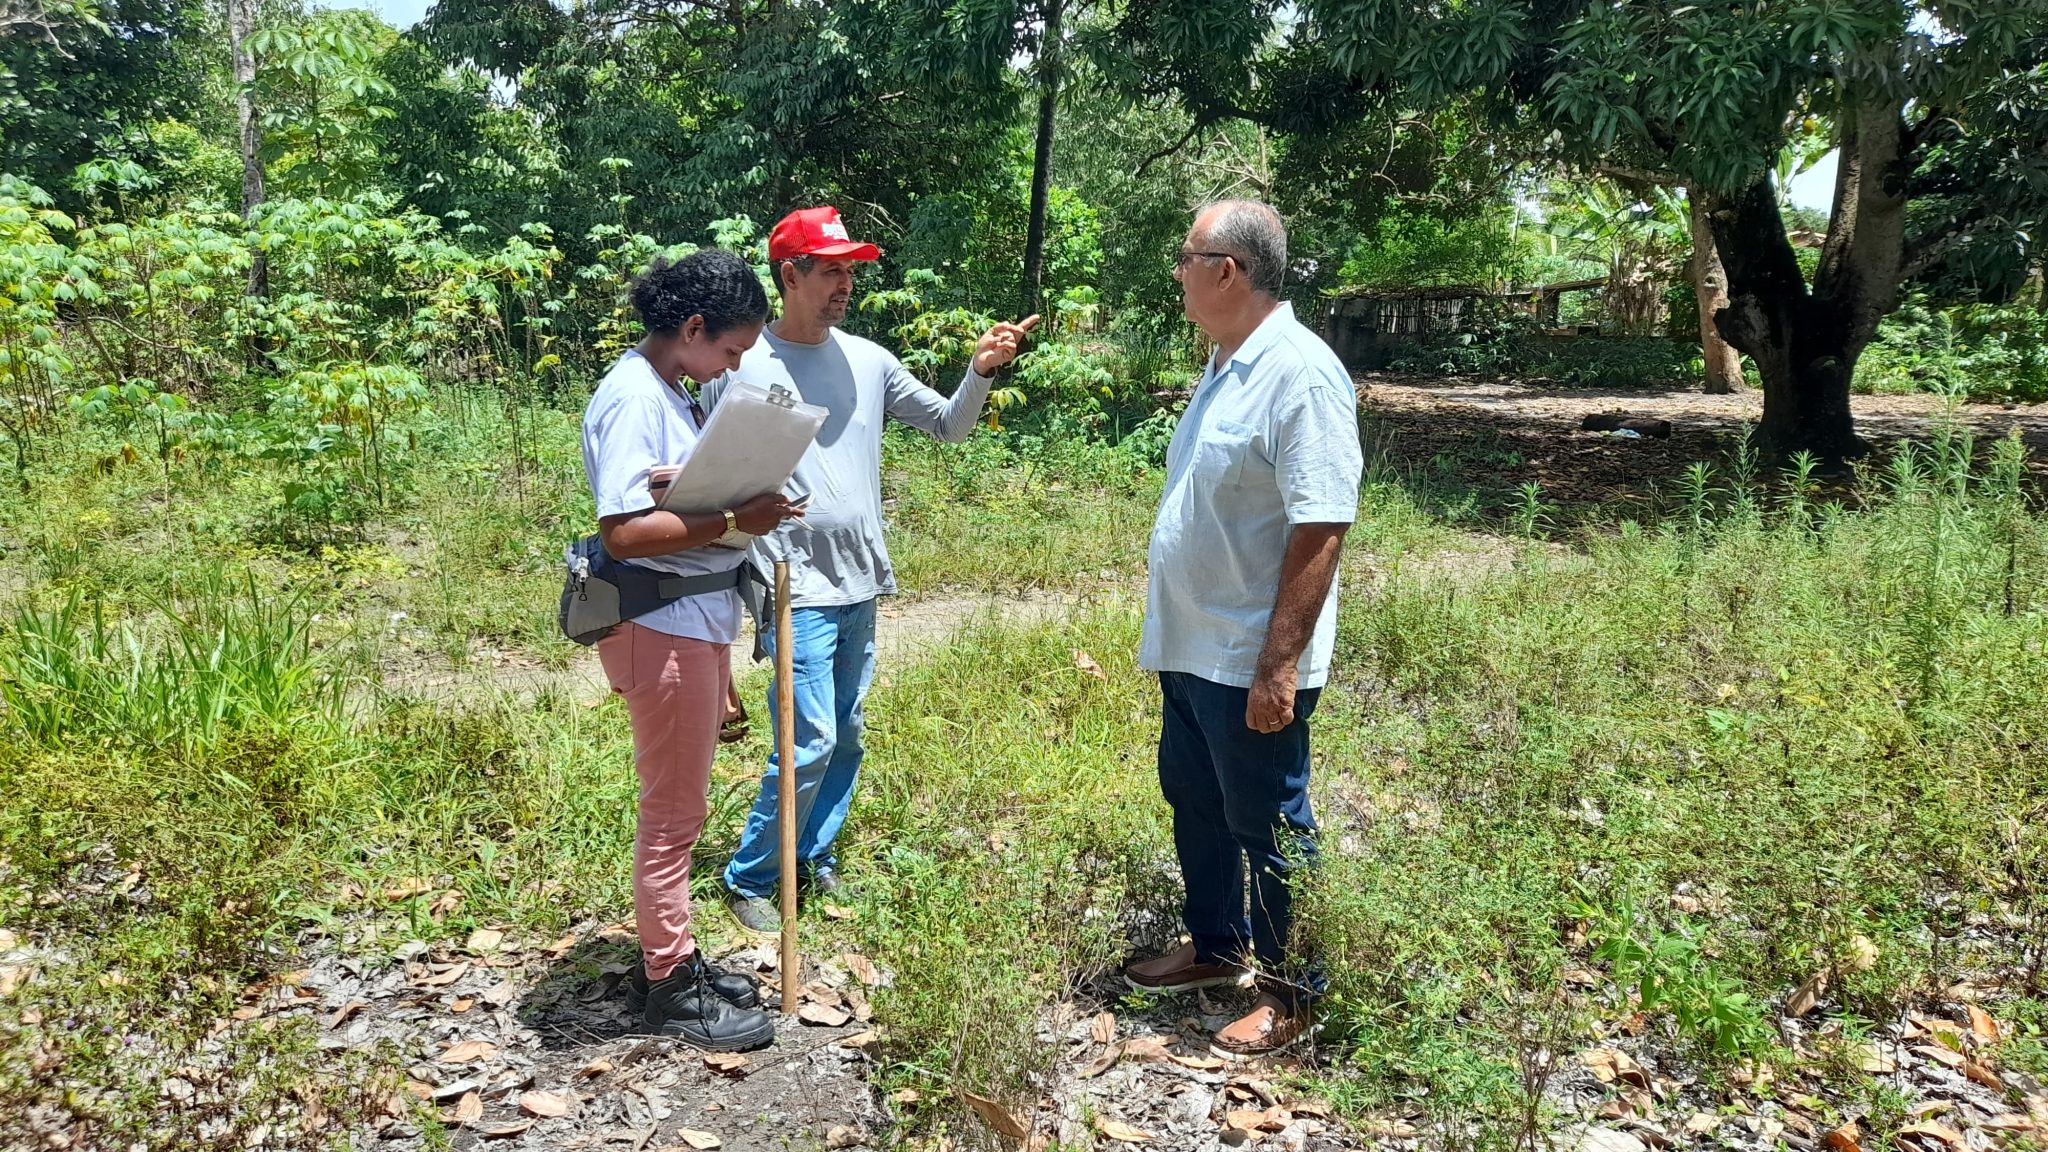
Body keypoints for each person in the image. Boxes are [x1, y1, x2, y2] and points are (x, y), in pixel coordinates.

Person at [706, 205, 1038, 932]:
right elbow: (709, 476)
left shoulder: (867, 360)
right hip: (790, 582)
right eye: (831, 270)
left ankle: (814, 854)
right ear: (789, 276)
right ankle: (751, 876)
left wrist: (980, 371)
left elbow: (949, 426)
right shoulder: (740, 363)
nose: (845, 285)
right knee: (809, 740)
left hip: (859, 578)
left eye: (850, 271)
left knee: (846, 733)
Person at [1122, 200, 1364, 1059]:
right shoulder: (1229, 362)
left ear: (1227, 270)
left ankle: (1297, 994)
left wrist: (1278, 665)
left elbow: (1321, 524)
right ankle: (1217, 946)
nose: (1177, 273)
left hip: (1248, 654)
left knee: (1270, 823)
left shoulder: (1301, 374)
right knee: (1196, 802)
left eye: (1186, 257)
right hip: (1192, 642)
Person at [581, 248, 805, 1050]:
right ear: (694, 327)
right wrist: (735, 521)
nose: (732, 367)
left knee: (683, 807)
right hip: (660, 629)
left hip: (689, 623)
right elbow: (626, 532)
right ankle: (670, 985)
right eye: (731, 351)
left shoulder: (669, 390)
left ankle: (673, 958)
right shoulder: (633, 397)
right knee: (673, 815)